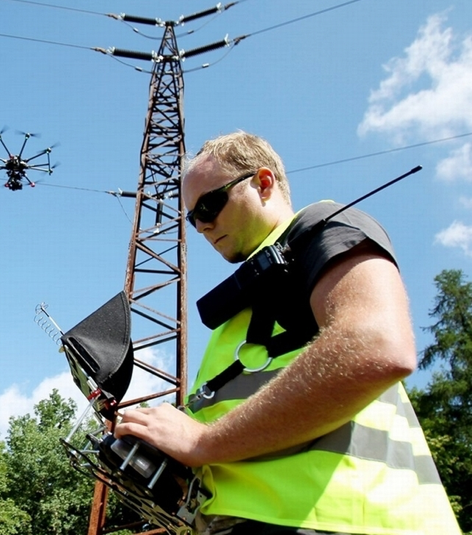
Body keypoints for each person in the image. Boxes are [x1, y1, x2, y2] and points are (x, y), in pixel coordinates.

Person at [114, 131, 460, 534]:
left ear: (263, 182)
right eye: (193, 218)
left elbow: (375, 345)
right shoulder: (241, 307)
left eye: (210, 204)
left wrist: (202, 443)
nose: (203, 225)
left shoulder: (321, 228)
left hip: (344, 516)